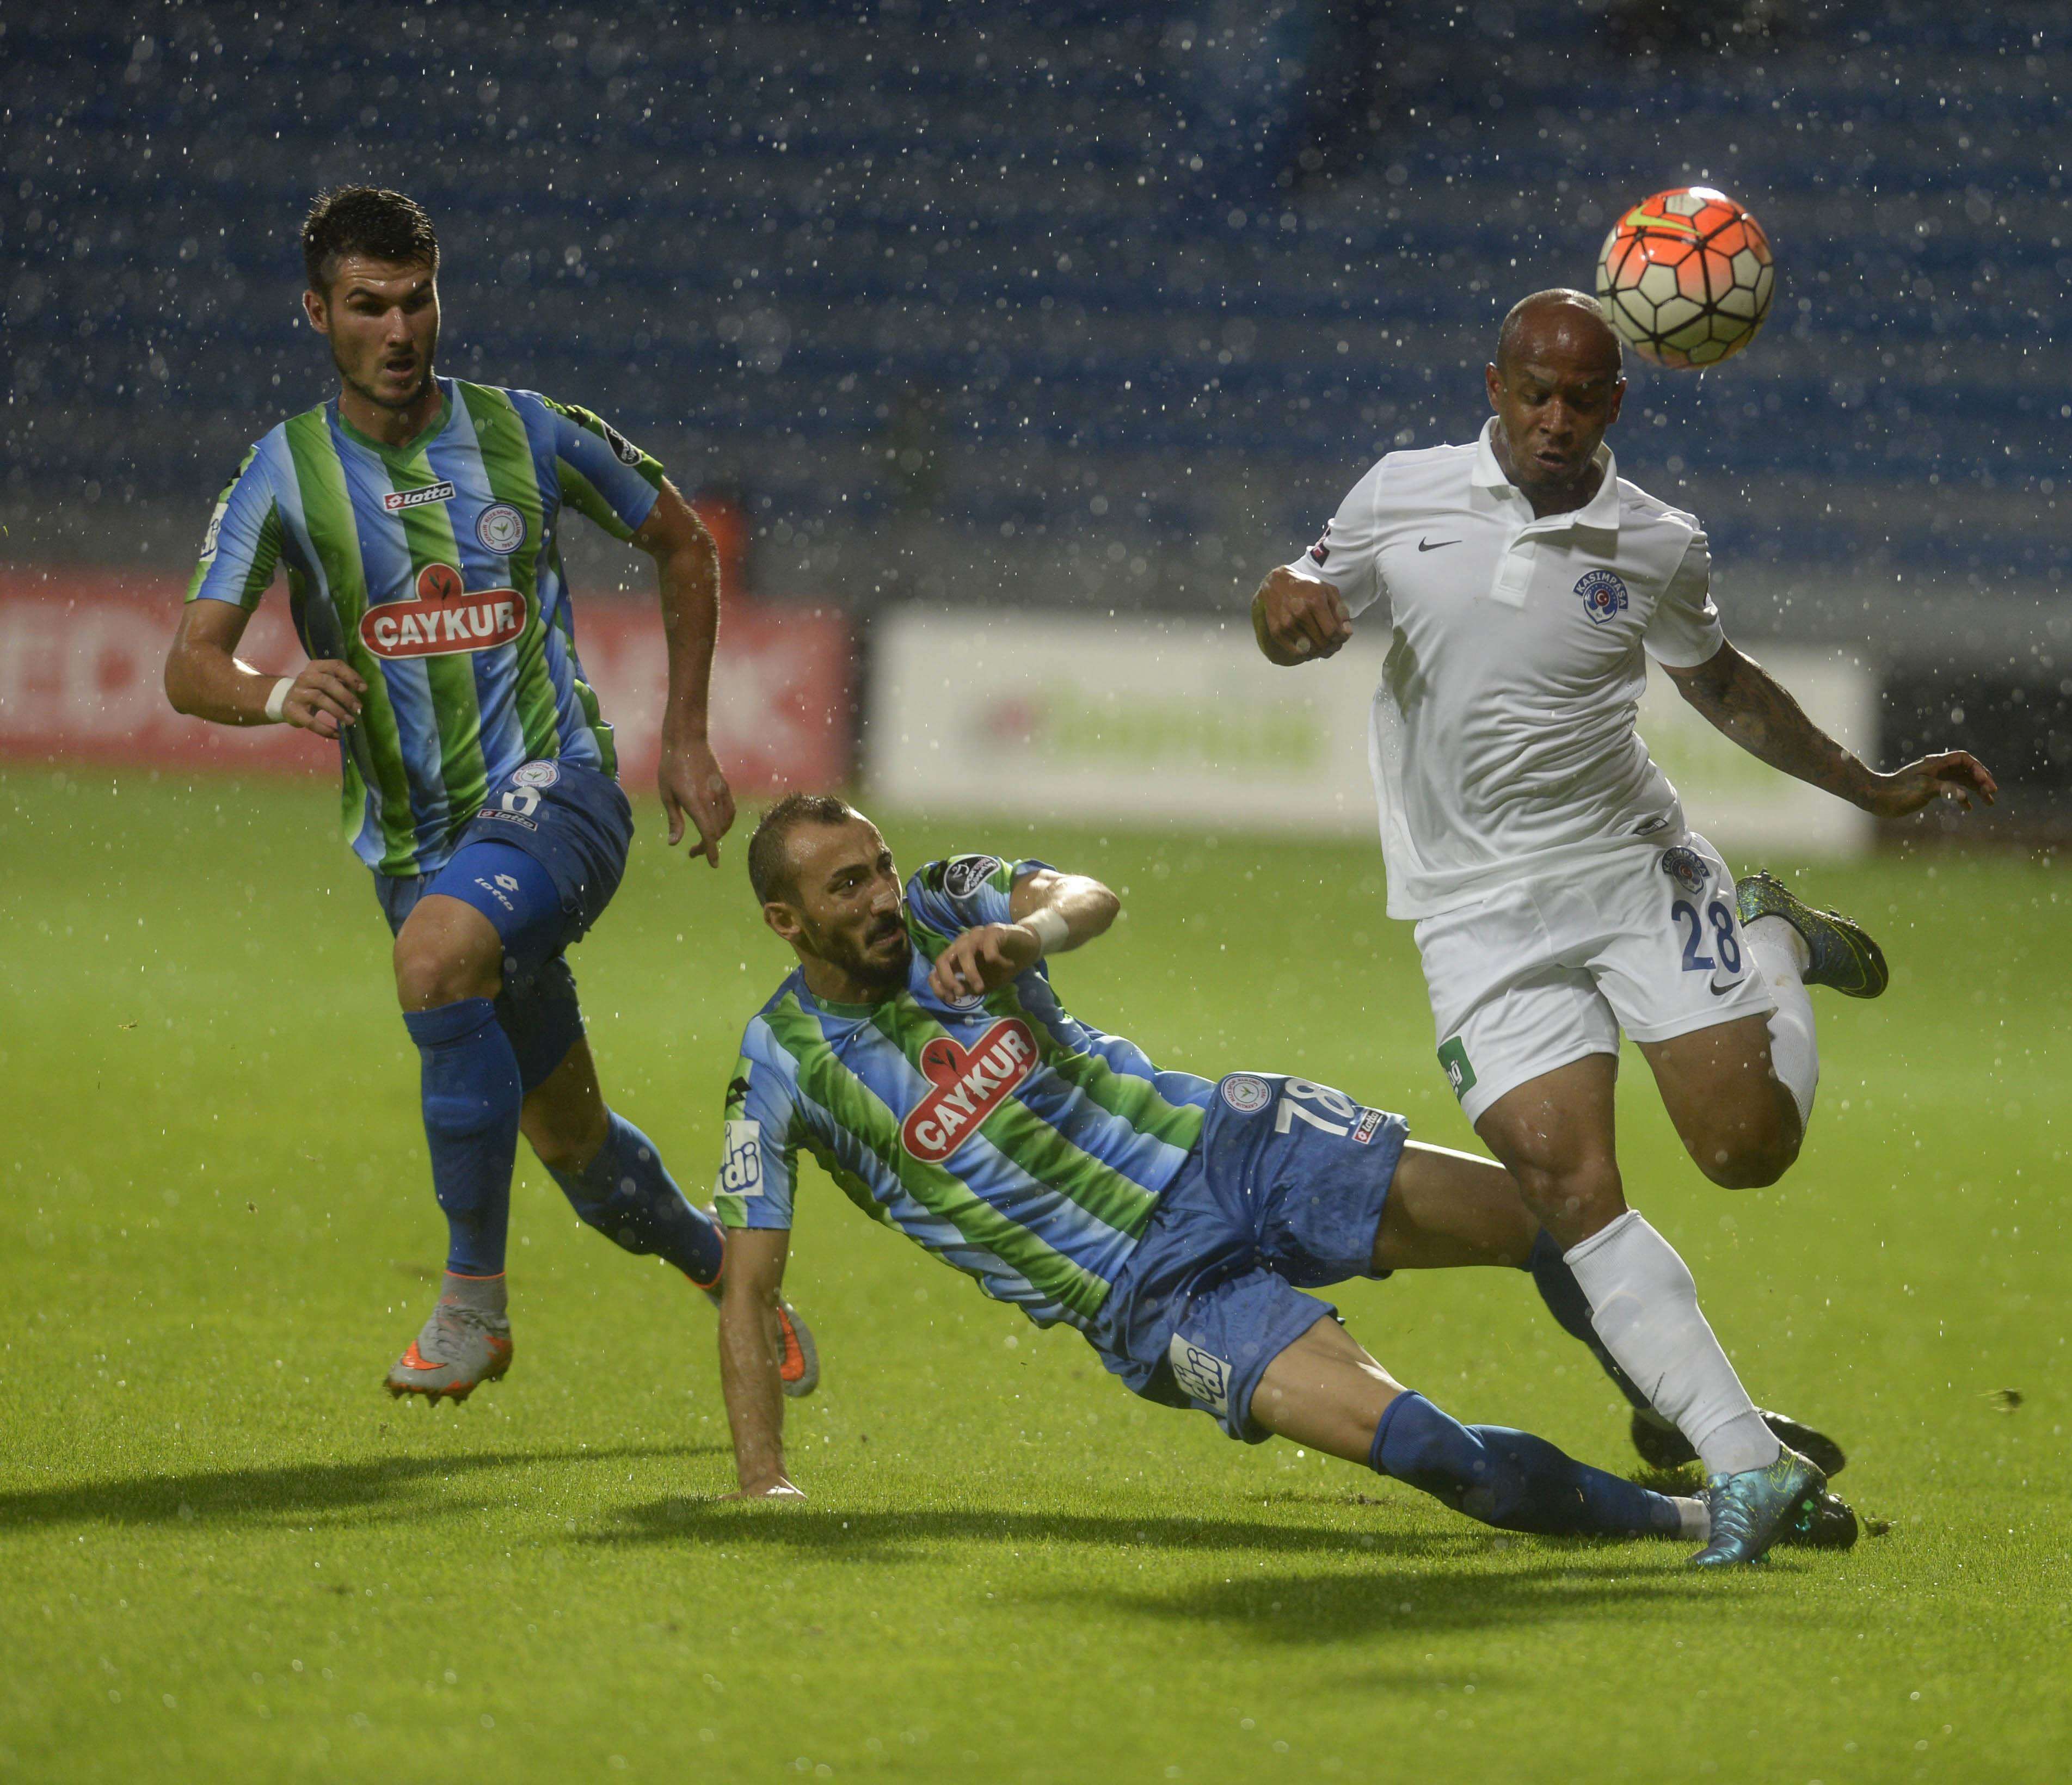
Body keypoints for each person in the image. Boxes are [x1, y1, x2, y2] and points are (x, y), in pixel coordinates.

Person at [1249, 288, 1997, 1523]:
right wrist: (1283, 607)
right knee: (1564, 1183)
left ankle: (1769, 935)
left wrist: (1867, 786)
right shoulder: (1399, 492)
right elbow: (1294, 599)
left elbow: (1722, 684)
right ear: (1494, 388)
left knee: (1744, 1151)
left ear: (1616, 403)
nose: (1555, 419)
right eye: (1534, 393)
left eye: (1581, 399)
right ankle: (1746, 1464)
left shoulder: (1654, 540)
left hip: (1625, 867)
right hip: (1472, 909)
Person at [711, 795, 1858, 1565]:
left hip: (1234, 1149)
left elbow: (1087, 893)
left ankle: (1700, 1420)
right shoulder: (782, 1068)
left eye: (878, 867)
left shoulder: (944, 901)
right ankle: (1699, 1514)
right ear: (782, 919)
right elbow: (749, 1287)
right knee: (1444, 1461)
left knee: (1548, 1215)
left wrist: (1031, 937)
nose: (879, 897)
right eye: (845, 887)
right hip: (1158, 1295)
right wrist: (765, 1481)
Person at [164, 186, 815, 1405]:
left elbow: (682, 539)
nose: (399, 330)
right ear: (318, 313)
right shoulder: (285, 471)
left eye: (417, 301)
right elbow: (191, 664)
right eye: (369, 305)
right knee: (583, 1157)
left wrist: (683, 736)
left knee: (433, 958)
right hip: (419, 846)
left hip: (558, 791)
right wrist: (273, 692)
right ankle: (731, 1277)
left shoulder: (528, 429)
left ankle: (472, 1304)